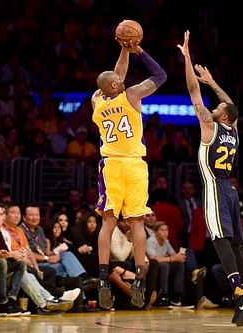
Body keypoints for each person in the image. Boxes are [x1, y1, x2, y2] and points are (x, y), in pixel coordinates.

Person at [177, 30, 243, 327]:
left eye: (218, 107)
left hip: (214, 187)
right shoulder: (234, 130)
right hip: (231, 189)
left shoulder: (209, 126)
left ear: (221, 116)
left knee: (220, 240)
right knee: (235, 244)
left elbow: (191, 90)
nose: (214, 105)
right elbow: (231, 104)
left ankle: (239, 293)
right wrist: (213, 83)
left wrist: (187, 57)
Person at [91, 35, 166, 310]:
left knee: (108, 223)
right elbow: (161, 74)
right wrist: (139, 51)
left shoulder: (97, 100)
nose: (121, 79)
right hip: (134, 165)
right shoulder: (133, 95)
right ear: (116, 85)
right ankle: (139, 280)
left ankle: (102, 279)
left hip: (111, 165)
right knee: (137, 223)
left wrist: (124, 48)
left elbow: (116, 76)